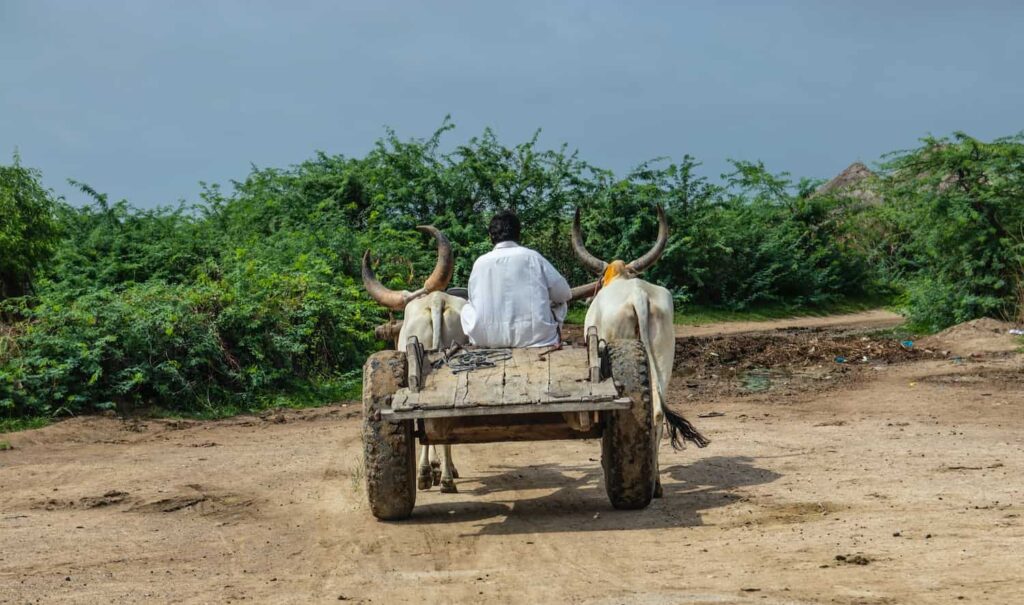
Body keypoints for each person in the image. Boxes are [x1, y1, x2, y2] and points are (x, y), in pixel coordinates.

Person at [460, 210, 571, 348]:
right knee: (560, 304)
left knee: (466, 308)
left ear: (490, 236)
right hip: (537, 339)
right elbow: (564, 294)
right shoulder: (533, 257)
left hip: (486, 340)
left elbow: (473, 299)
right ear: (518, 234)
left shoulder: (480, 263)